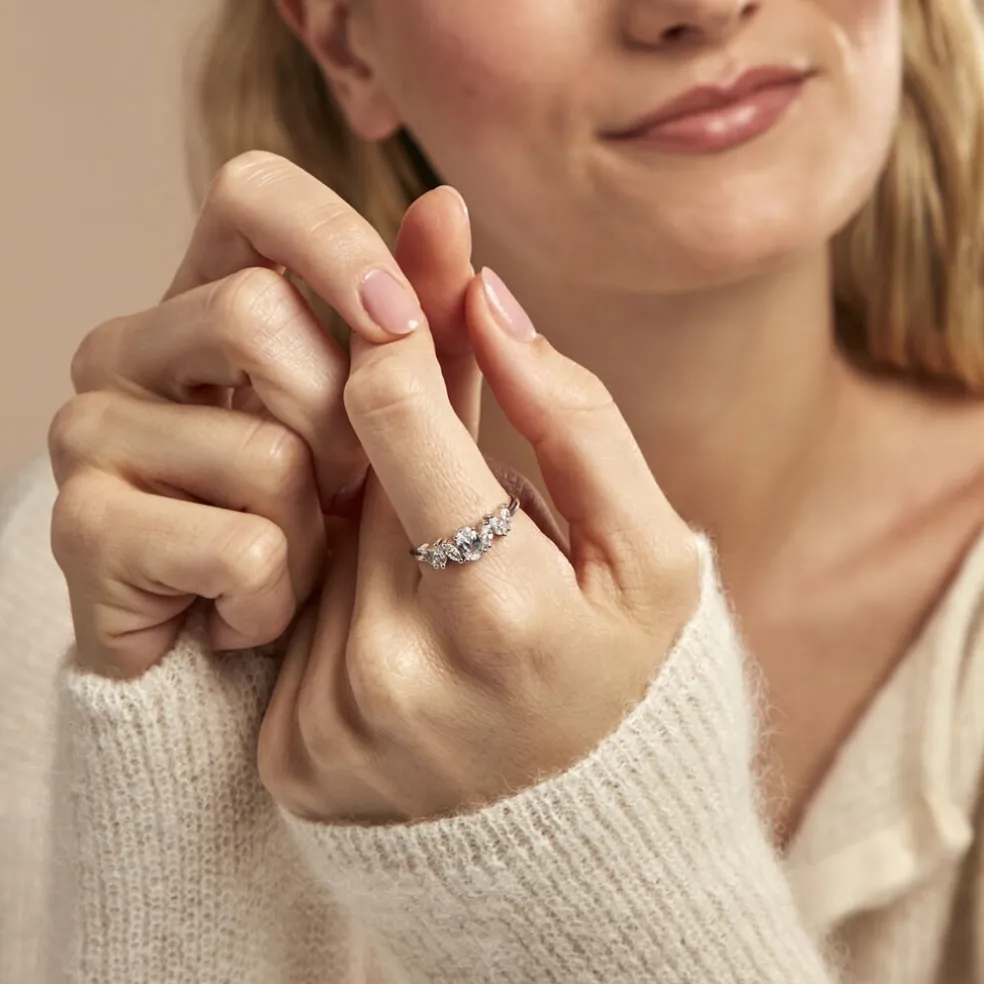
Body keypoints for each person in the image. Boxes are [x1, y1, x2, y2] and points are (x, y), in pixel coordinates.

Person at [3, 0, 984, 979]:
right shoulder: (105, 574)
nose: (702, 9)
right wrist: (195, 792)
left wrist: (589, 861)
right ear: (347, 42)